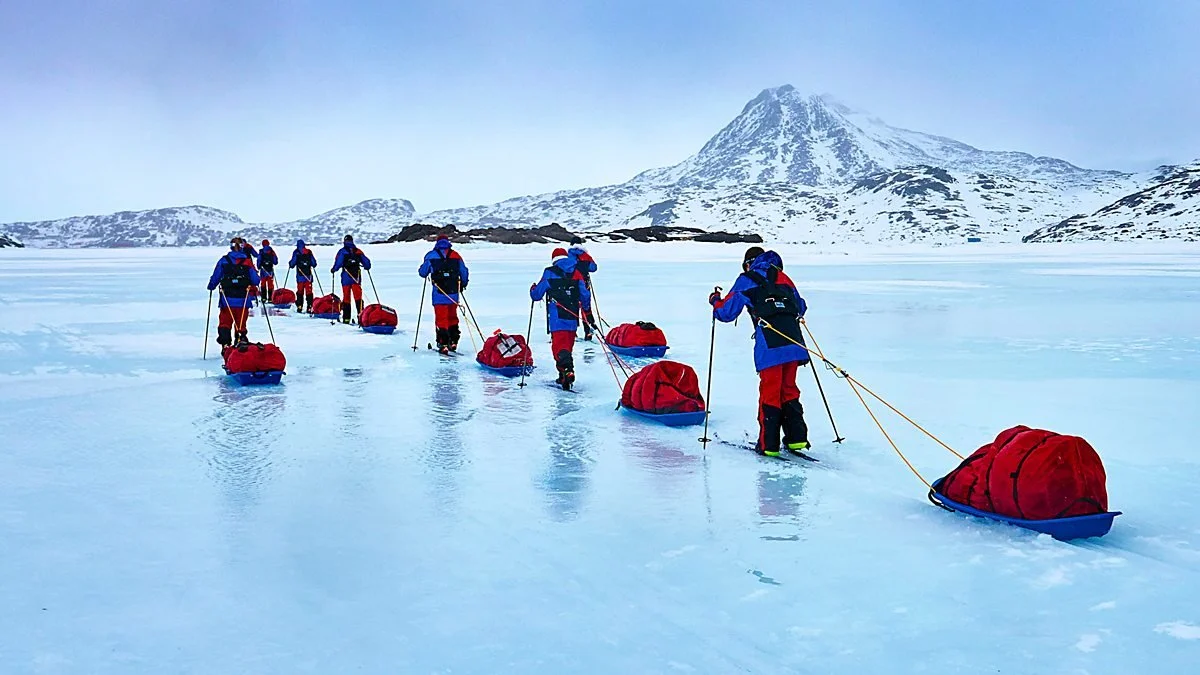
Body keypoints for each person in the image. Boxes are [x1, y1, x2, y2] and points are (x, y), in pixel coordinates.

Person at [709, 246, 810, 457]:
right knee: (789, 389)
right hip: (794, 342)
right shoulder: (784, 278)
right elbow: (800, 306)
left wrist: (715, 301)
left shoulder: (747, 279)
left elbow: (726, 313)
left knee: (770, 392)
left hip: (770, 344)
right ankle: (796, 439)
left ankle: (768, 445)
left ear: (749, 263)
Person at [531, 248, 592, 390]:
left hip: (557, 318)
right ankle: (563, 375)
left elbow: (536, 295)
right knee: (567, 347)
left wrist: (532, 289)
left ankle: (567, 371)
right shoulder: (576, 272)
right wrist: (587, 311)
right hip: (572, 317)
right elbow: (585, 295)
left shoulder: (550, 272)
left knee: (558, 347)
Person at [417, 234, 470, 354]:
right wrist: (463, 284)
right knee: (452, 317)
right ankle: (453, 341)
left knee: (441, 318)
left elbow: (422, 272)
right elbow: (464, 271)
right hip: (453, 293)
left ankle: (443, 343)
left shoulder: (431, 255)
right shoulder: (456, 255)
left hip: (439, 293)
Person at [207, 238, 260, 347]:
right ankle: (239, 344)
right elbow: (256, 280)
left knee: (225, 323)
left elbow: (216, 277)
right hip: (243, 300)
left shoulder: (224, 260)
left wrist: (211, 286)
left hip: (227, 300)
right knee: (240, 324)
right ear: (242, 247)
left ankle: (225, 346)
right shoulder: (247, 262)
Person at [331, 234, 372, 324]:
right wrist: (367, 267)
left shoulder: (342, 252)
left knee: (346, 298)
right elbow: (367, 263)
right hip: (356, 278)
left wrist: (334, 269)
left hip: (346, 278)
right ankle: (361, 318)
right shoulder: (357, 251)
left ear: (344, 242)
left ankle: (346, 319)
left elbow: (338, 263)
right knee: (358, 298)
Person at [567, 236, 600, 340]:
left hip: (571, 284)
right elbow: (593, 268)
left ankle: (572, 333)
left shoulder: (568, 255)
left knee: (571, 307)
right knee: (586, 307)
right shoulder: (585, 255)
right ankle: (588, 331)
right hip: (584, 283)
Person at [288, 239, 317, 313]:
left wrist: (290, 264)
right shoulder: (309, 252)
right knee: (309, 292)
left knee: (300, 292)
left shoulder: (296, 252)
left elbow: (292, 264)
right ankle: (309, 307)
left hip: (300, 277)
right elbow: (314, 263)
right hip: (308, 277)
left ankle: (300, 306)